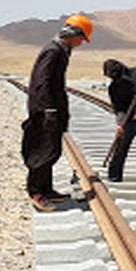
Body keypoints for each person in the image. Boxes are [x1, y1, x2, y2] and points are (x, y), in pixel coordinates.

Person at [22, 14, 92, 212]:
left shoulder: (61, 49)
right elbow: (41, 81)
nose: (81, 43)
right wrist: (47, 109)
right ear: (73, 34)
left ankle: (46, 189)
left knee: (52, 150)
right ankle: (36, 193)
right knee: (42, 151)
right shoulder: (53, 50)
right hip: (46, 109)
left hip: (52, 108)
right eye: (82, 38)